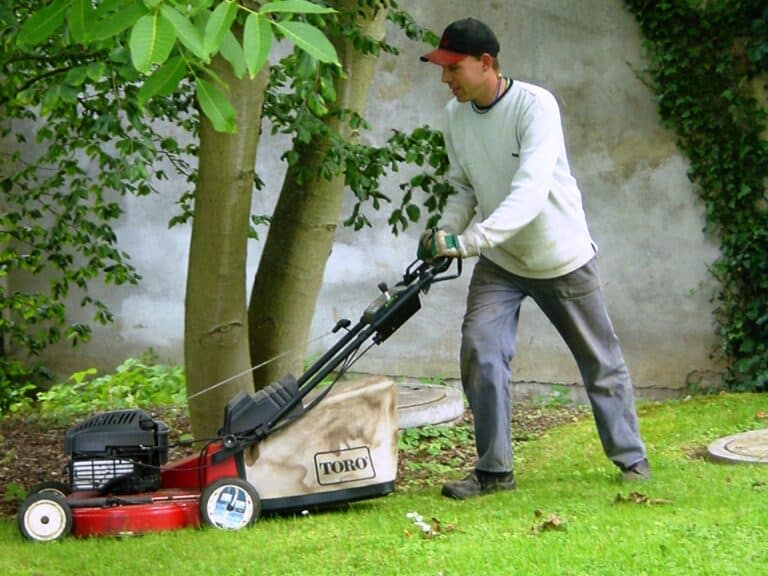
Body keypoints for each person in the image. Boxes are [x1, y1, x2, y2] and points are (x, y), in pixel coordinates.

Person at [417, 17, 650, 500]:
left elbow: (530, 192)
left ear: (486, 64)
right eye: (442, 69)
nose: (446, 79)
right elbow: (463, 186)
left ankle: (632, 461)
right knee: (480, 349)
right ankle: (494, 470)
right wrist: (446, 230)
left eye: (452, 67)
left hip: (559, 257)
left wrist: (472, 241)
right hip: (502, 261)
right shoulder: (454, 117)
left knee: (599, 361)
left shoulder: (535, 106)